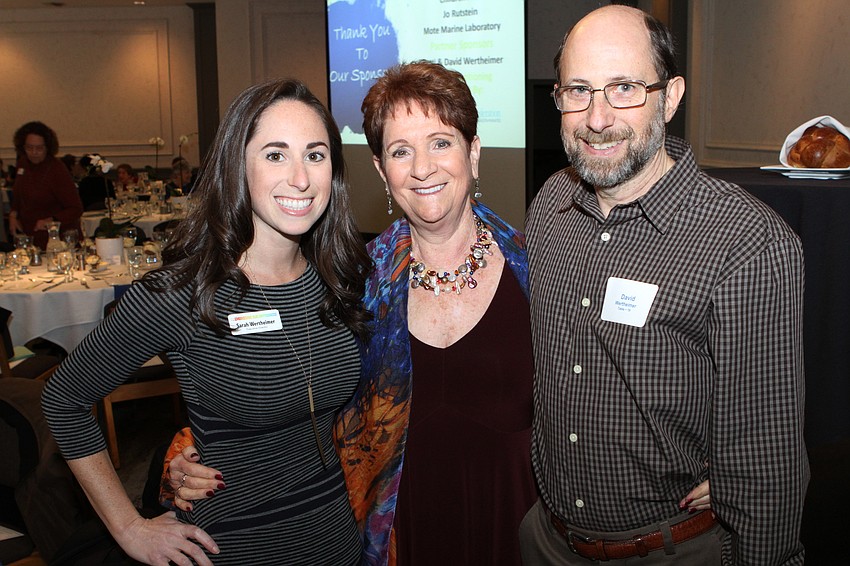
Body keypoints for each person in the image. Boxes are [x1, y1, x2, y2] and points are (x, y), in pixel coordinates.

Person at [163, 61, 711, 565]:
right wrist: (190, 447)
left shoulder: (538, 265)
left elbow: (622, 366)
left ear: (473, 153)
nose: (422, 168)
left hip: (523, 528)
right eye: (401, 151)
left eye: (441, 143)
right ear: (381, 170)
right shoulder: (353, 282)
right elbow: (285, 383)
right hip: (399, 531)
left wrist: (714, 454)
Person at [519, 6, 808, 565]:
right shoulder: (552, 204)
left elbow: (765, 462)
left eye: (624, 88)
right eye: (578, 90)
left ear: (670, 98)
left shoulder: (747, 243)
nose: (597, 117)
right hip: (548, 540)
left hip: (672, 548)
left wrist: (736, 478)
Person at [41, 78, 371, 565]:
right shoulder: (182, 293)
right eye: (275, 155)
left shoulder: (341, 279)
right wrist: (128, 527)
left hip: (337, 544)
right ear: (237, 165)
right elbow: (63, 400)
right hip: (235, 549)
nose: (300, 178)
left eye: (315, 155)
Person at [9, 121, 83, 249]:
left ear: (48, 148)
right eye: (29, 147)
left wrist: (51, 220)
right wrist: (13, 214)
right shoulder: (22, 164)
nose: (34, 152)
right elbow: (18, 194)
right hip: (30, 237)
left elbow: (76, 209)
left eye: (39, 148)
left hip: (58, 241)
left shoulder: (57, 169)